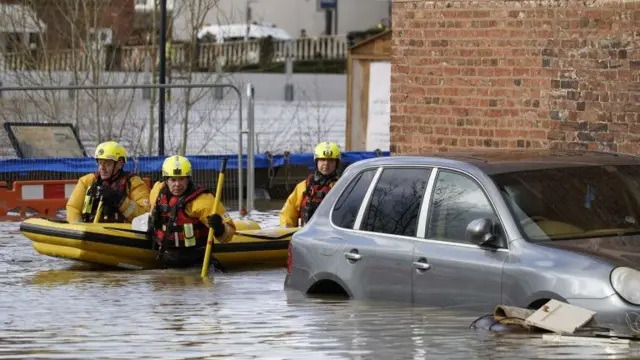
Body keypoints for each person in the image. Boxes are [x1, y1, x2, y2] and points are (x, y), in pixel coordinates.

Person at [148, 154, 236, 268]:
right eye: (173, 180)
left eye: (181, 179)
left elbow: (228, 235)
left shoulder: (203, 200)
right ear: (166, 180)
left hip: (197, 262)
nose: (177, 184)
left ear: (188, 178)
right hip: (167, 259)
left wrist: (219, 227)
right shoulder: (157, 192)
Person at [66, 141, 151, 223]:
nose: (102, 168)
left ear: (120, 163)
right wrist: (80, 229)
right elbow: (73, 208)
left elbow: (144, 216)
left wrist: (119, 199)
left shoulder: (134, 183)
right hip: (92, 232)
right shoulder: (87, 181)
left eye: (107, 163)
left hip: (121, 233)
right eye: (100, 163)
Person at [279, 141, 341, 228]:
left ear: (336, 163)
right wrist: (286, 227)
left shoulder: (341, 187)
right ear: (317, 162)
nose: (326, 164)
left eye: (331, 160)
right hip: (306, 237)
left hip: (330, 236)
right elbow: (287, 212)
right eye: (322, 160)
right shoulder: (303, 186)